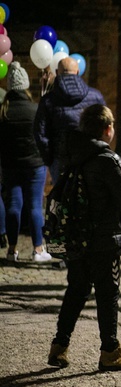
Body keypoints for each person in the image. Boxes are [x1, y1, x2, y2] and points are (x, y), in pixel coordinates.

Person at [47, 104, 121, 371]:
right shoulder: (106, 159)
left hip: (77, 235)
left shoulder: (72, 154)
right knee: (107, 293)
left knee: (76, 289)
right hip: (104, 238)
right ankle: (110, 351)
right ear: (107, 129)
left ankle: (59, 346)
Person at [0, 62, 52, 262]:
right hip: (35, 165)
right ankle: (38, 250)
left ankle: (12, 250)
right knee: (34, 206)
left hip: (10, 165)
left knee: (13, 205)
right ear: (25, 86)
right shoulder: (35, 110)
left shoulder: (3, 112)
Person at [34, 56, 106, 184]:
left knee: (63, 198)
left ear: (57, 72)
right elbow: (105, 126)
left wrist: (50, 159)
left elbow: (40, 133)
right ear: (78, 72)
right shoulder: (96, 96)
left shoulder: (48, 100)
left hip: (60, 159)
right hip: (90, 157)